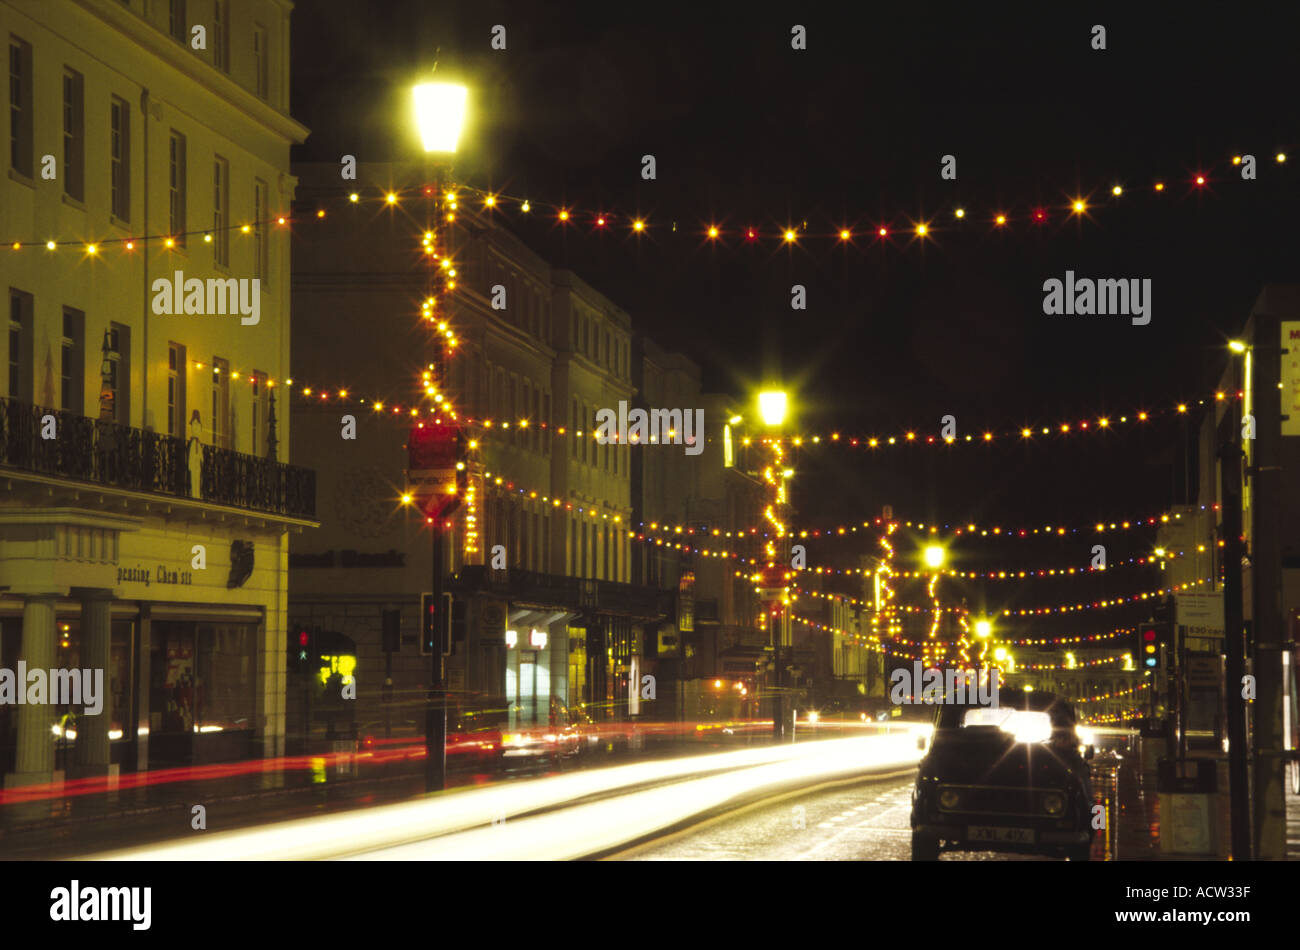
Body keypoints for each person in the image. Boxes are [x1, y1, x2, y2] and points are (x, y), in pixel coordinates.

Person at [187, 410, 202, 498]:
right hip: (195, 446)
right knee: (195, 471)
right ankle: (195, 493)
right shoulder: (195, 423)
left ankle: (196, 493)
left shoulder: (196, 423)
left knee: (196, 471)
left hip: (196, 446)